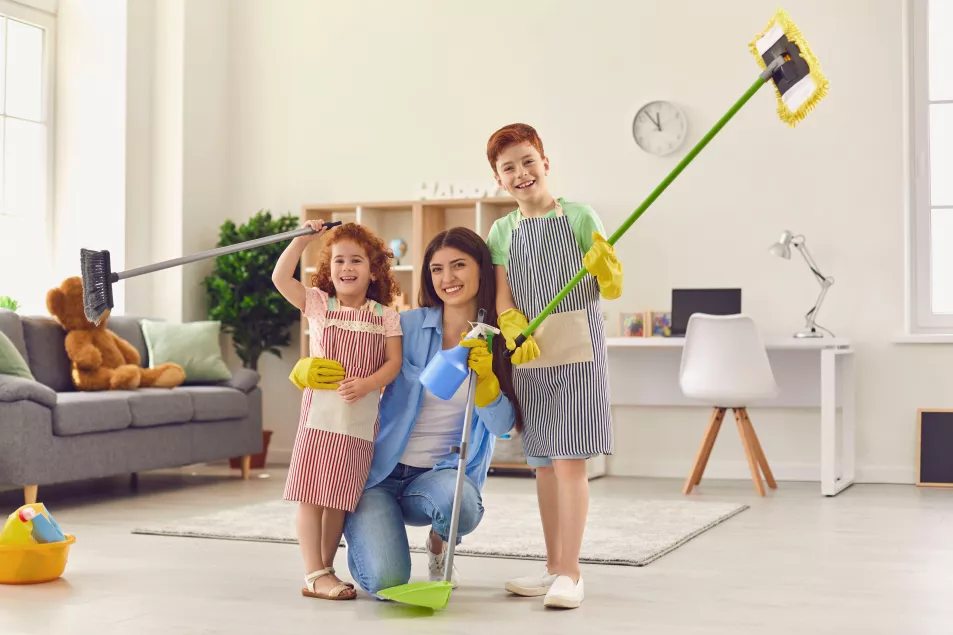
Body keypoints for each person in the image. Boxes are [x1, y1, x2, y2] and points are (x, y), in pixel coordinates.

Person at [484, 122, 623, 609]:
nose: (521, 173)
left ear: (545, 163)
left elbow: (609, 288)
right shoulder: (502, 230)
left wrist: (607, 268)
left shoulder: (582, 216)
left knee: (569, 463)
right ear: (499, 180)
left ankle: (573, 572)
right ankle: (553, 567)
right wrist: (509, 322)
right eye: (509, 168)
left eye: (528, 161)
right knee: (542, 465)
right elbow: (503, 294)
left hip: (578, 355)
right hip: (532, 356)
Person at [342, 226, 520, 597]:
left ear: (482, 269)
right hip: (379, 475)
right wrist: (311, 371)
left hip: (439, 477)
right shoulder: (405, 326)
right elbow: (350, 354)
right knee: (387, 583)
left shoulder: (500, 339)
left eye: (458, 265)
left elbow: (503, 426)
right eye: (437, 269)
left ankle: (439, 544)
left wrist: (486, 380)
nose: (447, 278)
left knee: (463, 506)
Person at [272, 220, 403, 601]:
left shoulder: (385, 315)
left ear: (373, 269)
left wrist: (367, 384)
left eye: (357, 260)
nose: (347, 268)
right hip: (319, 422)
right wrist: (300, 241)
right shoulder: (318, 304)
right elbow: (281, 278)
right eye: (339, 261)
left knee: (339, 500)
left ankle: (325, 571)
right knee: (312, 495)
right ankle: (315, 573)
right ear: (328, 269)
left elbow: (393, 364)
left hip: (359, 425)